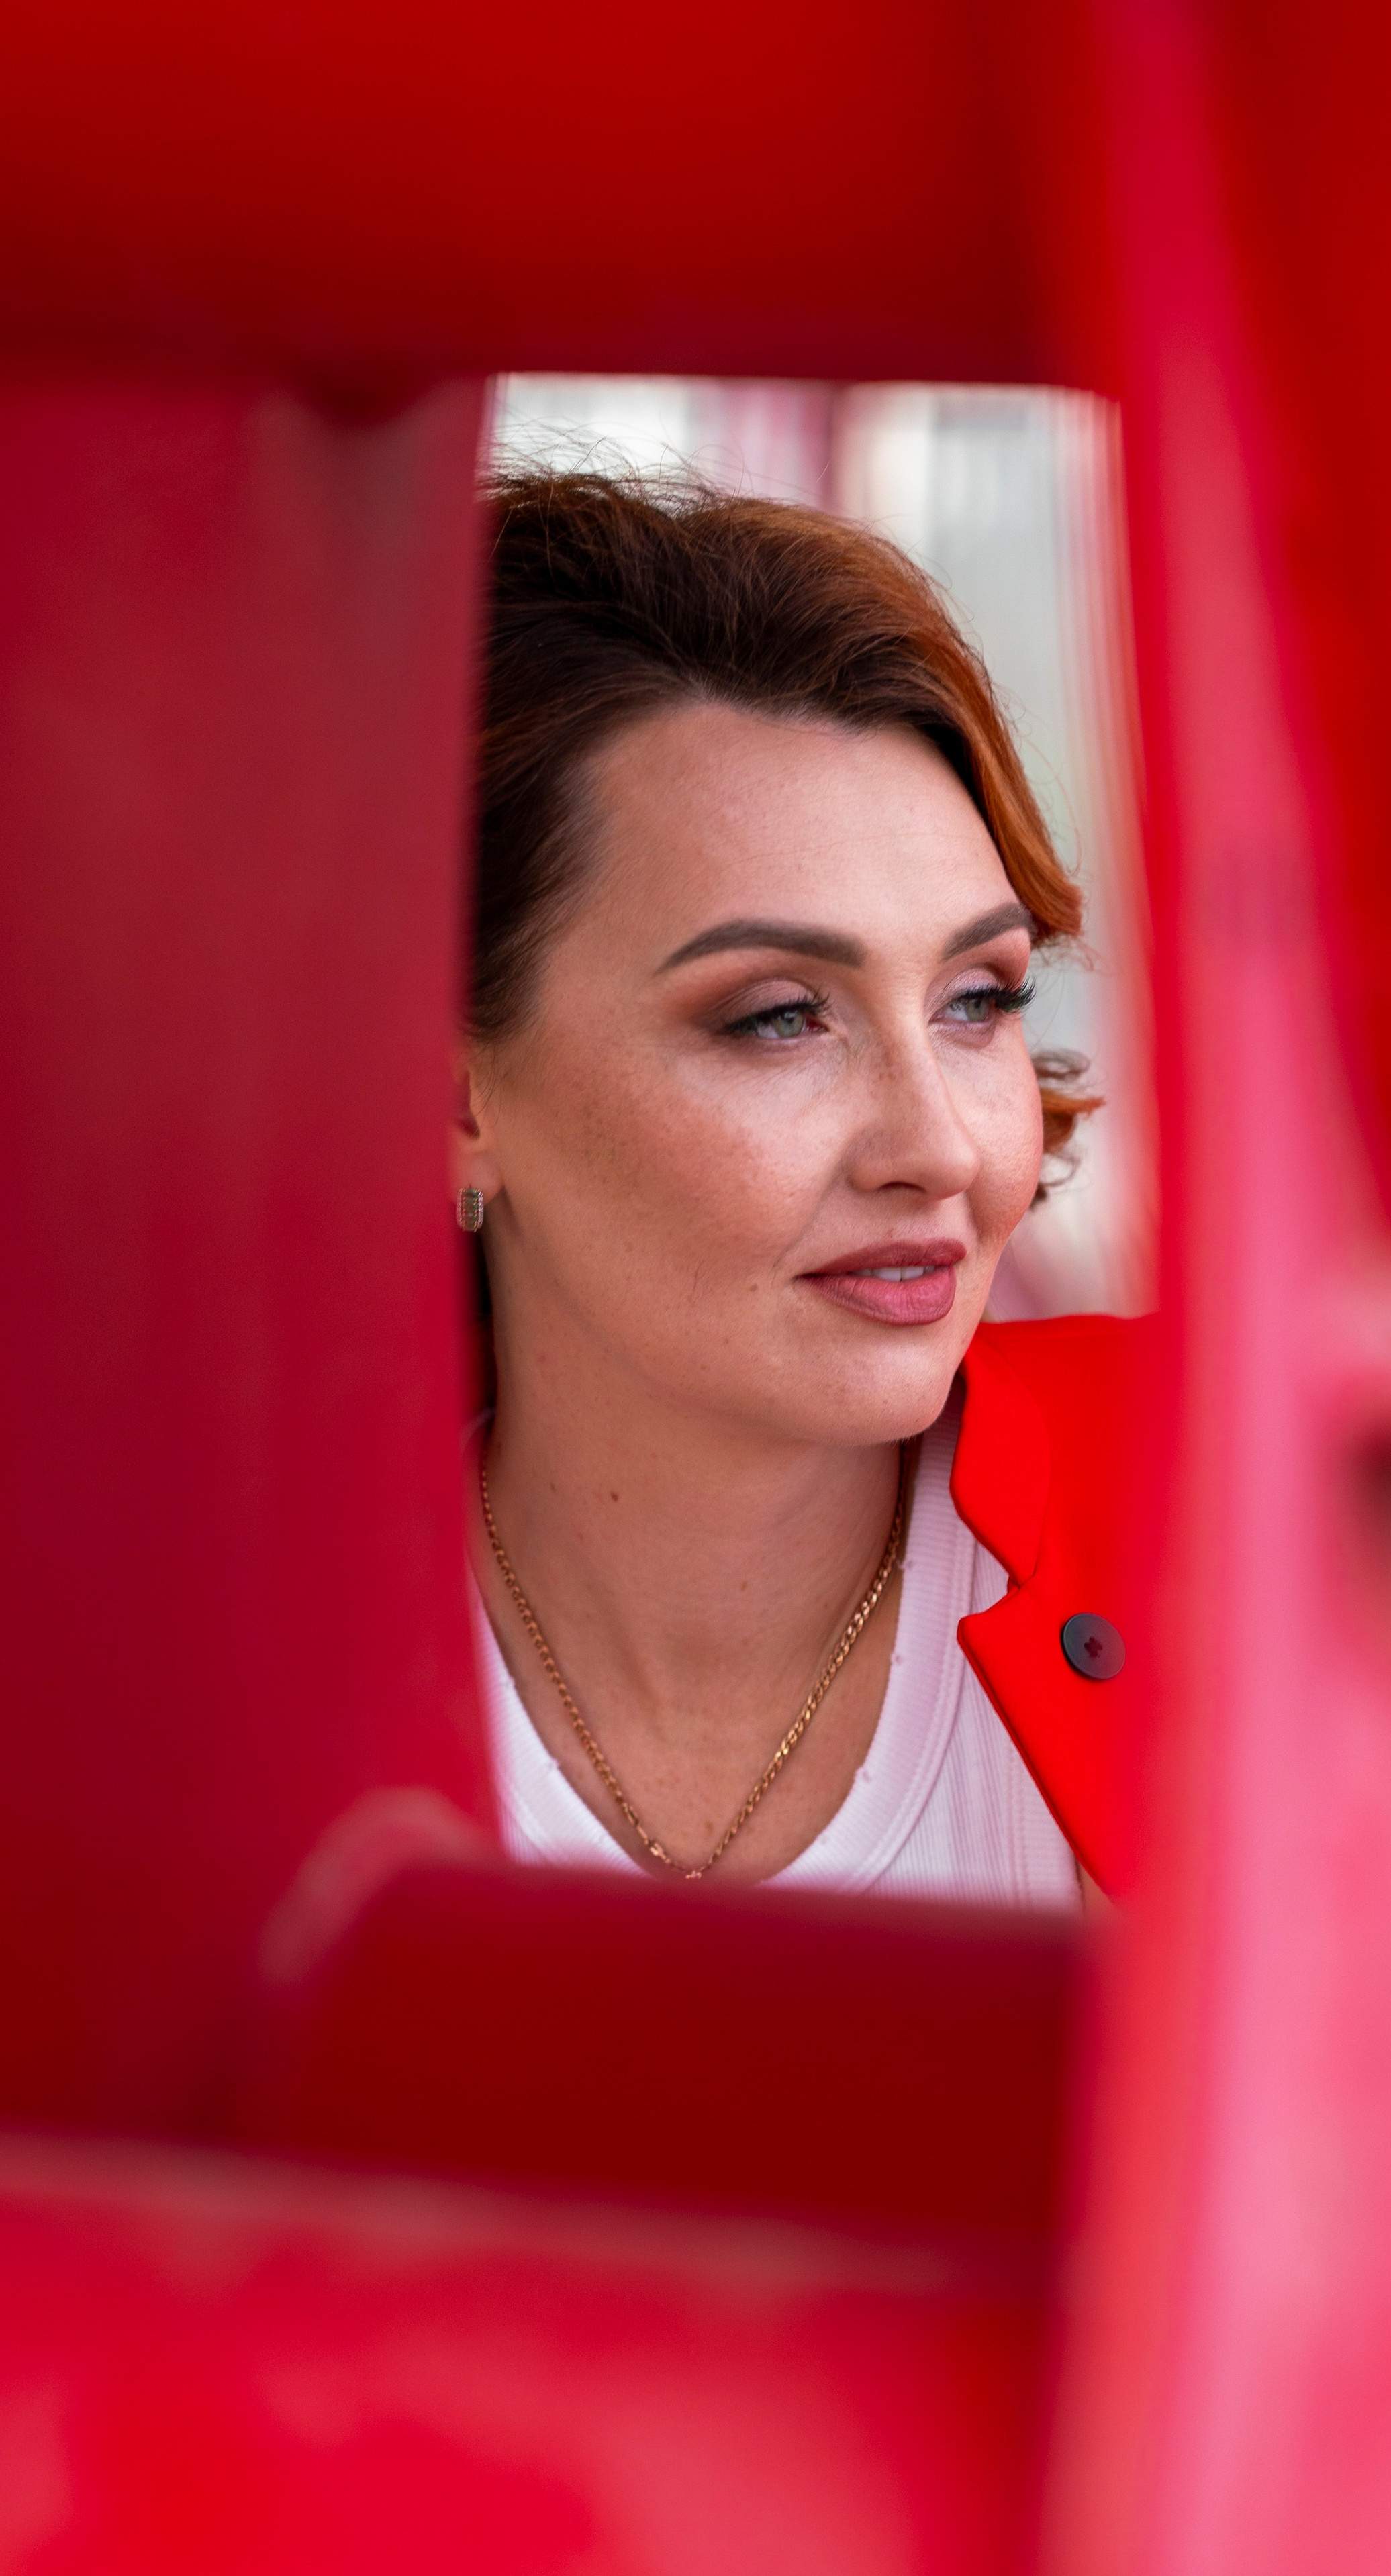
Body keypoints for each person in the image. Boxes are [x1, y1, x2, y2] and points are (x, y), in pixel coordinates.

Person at [452, 470, 1153, 1912]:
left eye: (979, 998)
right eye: (779, 1015)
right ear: (453, 1100)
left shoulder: (1233, 1527)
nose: (941, 1145)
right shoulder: (178, 1646)